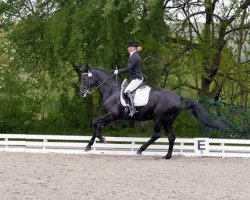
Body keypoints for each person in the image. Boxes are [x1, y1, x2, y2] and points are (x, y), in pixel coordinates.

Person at [114, 41, 144, 117]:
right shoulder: (133, 55)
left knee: (127, 91)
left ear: (133, 48)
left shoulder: (135, 56)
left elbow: (128, 68)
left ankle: (133, 109)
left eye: (129, 47)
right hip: (134, 77)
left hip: (137, 78)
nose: (128, 48)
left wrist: (118, 71)